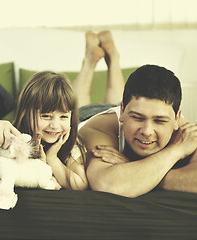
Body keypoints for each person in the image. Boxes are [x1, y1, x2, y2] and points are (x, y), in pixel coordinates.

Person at [12, 30, 124, 191]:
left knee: (114, 105)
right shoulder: (15, 138)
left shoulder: (71, 142)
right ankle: (90, 61)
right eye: (45, 115)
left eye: (63, 116)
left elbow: (80, 185)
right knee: (78, 106)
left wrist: (52, 157)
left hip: (95, 117)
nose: (55, 126)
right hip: (81, 116)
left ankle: (111, 59)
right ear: (25, 112)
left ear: (70, 116)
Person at [79, 64, 197, 197]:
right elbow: (107, 184)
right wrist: (176, 151)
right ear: (122, 111)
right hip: (87, 114)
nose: (147, 131)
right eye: (137, 118)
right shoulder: (97, 128)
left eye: (159, 121)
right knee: (74, 104)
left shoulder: (187, 134)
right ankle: (92, 63)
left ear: (176, 118)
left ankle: (113, 59)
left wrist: (136, 169)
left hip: (127, 107)